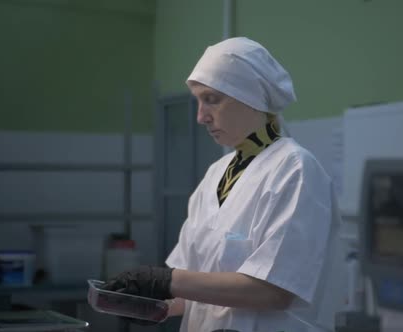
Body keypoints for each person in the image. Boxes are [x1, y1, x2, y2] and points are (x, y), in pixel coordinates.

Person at [104, 37, 343, 331]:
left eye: (212, 99)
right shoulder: (217, 174)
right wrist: (156, 305)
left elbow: (275, 290)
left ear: (251, 97)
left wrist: (166, 280)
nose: (201, 117)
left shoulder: (295, 170)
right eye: (199, 102)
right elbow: (198, 290)